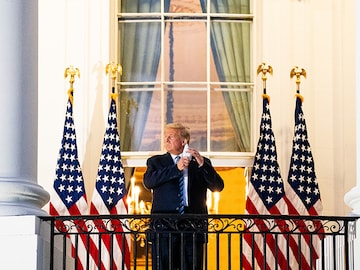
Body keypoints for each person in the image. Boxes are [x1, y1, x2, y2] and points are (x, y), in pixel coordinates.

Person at [143, 123, 224, 270]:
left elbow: (218, 186)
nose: (166, 139)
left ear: (183, 141)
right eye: (165, 136)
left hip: (192, 226)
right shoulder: (156, 162)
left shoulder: (200, 162)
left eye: (171, 136)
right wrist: (176, 168)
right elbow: (149, 182)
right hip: (164, 227)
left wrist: (203, 165)